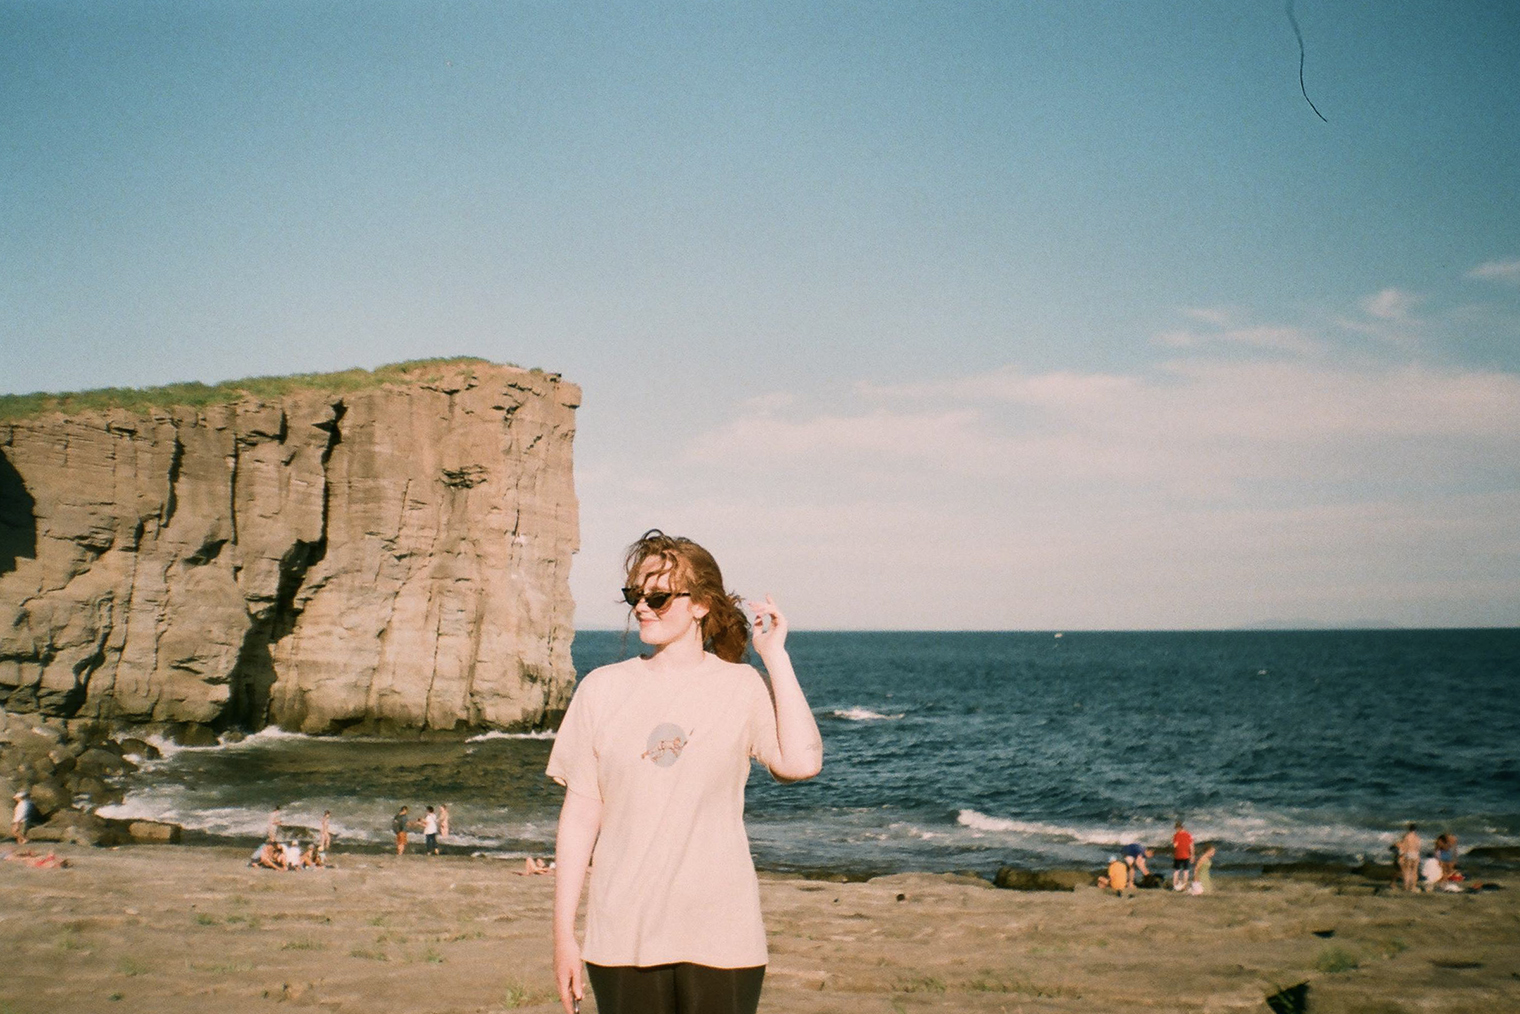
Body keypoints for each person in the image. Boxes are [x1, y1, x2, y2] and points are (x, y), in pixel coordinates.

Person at [547, 530, 824, 1014]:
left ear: (700, 605)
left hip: (723, 931)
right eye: (635, 594)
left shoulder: (741, 686)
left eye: (658, 596)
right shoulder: (601, 689)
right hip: (621, 932)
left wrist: (775, 657)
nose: (642, 607)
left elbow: (801, 762)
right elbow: (580, 819)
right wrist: (563, 936)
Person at [1396, 823, 1421, 892]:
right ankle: (1413, 886)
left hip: (1408, 853)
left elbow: (1403, 846)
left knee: (1407, 870)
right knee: (1414, 871)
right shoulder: (1417, 837)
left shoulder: (1406, 836)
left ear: (1409, 828)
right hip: (1415, 854)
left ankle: (1406, 886)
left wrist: (1401, 855)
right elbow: (1418, 847)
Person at [1171, 820, 1194, 892]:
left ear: (1178, 828)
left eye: (1176, 828)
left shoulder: (1176, 835)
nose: (1176, 830)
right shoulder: (1188, 835)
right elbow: (1191, 846)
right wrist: (1192, 855)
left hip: (1178, 855)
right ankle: (1184, 886)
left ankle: (1175, 885)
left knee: (1176, 871)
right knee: (1186, 871)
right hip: (1186, 855)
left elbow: (1175, 845)